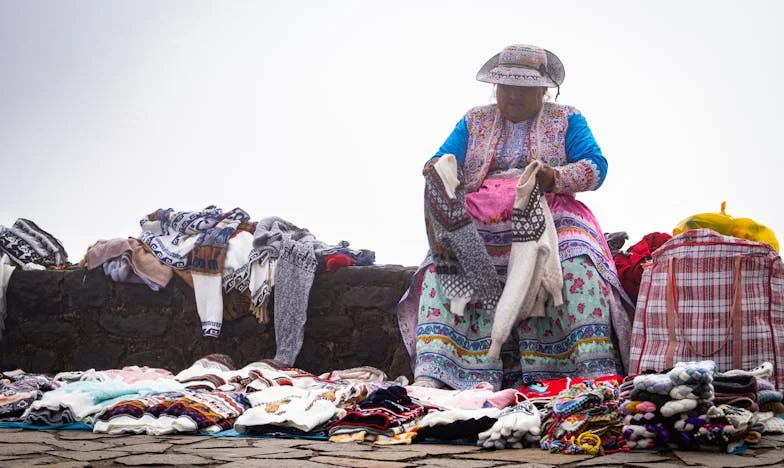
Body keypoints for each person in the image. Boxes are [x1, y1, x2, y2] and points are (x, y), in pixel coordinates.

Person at [396, 44, 633, 391]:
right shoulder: (474, 120)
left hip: (550, 209)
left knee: (576, 260)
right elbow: (442, 157)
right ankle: (444, 372)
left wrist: (553, 177)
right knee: (441, 267)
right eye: (505, 87)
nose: (513, 95)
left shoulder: (567, 118)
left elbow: (595, 167)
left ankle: (583, 371)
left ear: (543, 90)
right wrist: (440, 170)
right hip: (480, 218)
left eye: (523, 88)